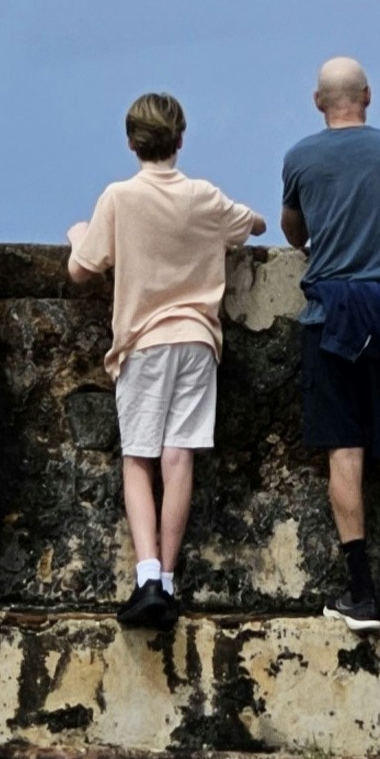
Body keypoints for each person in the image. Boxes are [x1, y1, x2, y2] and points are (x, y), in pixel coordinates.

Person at [69, 92, 267, 630]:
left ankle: (148, 577)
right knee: (180, 457)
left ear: (132, 142)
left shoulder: (119, 197)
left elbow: (82, 269)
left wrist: (78, 235)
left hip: (145, 341)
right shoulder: (202, 196)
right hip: (198, 339)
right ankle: (172, 581)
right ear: (180, 139)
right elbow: (253, 226)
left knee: (138, 456)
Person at [280, 56, 380, 632]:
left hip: (333, 315)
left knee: (343, 452)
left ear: (318, 101)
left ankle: (358, 592)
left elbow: (293, 231)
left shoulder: (300, 158)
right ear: (368, 96)